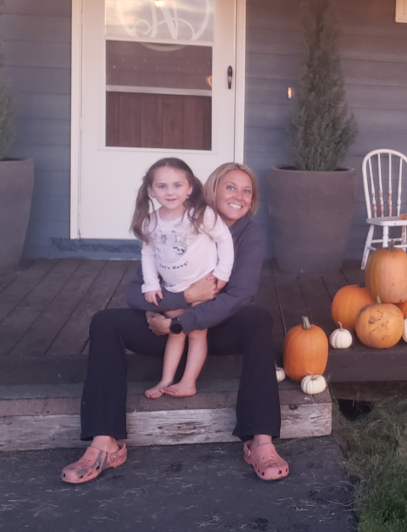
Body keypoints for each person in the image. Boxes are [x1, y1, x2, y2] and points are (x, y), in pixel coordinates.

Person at [61, 162, 289, 484]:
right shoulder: (174, 220)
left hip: (215, 329)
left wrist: (182, 325)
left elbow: (238, 295)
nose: (239, 196)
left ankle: (261, 440)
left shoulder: (248, 234)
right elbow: (135, 292)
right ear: (210, 188)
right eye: (230, 187)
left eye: (247, 191)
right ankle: (104, 442)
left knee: (257, 319)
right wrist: (178, 303)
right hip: (167, 327)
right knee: (105, 322)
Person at [129, 158, 234, 399]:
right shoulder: (151, 221)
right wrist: (151, 283)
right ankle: (166, 380)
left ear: (190, 188)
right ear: (151, 190)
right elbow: (148, 252)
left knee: (196, 333)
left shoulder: (201, 214)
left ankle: (188, 382)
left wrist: (222, 273)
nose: (170, 192)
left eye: (177, 185)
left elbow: (224, 239)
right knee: (176, 333)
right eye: (162, 186)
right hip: (174, 290)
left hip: (202, 285)